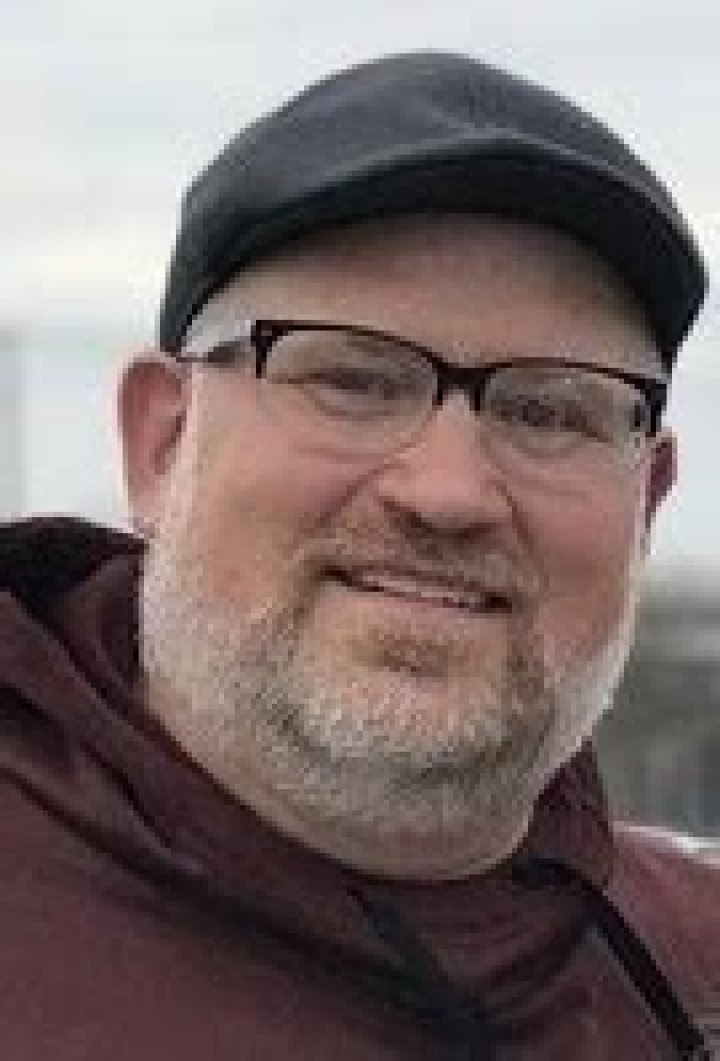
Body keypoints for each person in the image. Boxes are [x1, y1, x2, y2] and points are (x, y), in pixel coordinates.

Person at [1, 51, 717, 1060]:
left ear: (645, 501)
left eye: (550, 411)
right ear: (162, 442)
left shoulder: (688, 972)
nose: (449, 492)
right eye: (353, 380)